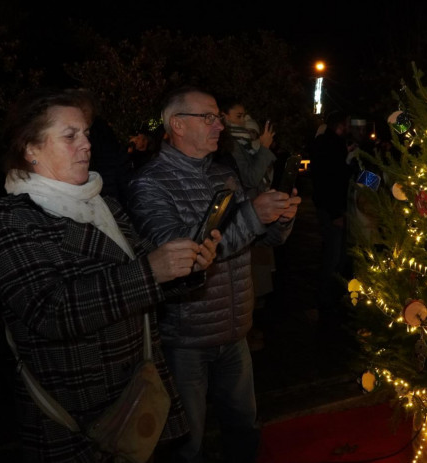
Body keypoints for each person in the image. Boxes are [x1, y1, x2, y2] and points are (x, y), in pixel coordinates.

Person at [0, 88, 220, 462]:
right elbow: (50, 311)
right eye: (70, 135)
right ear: (30, 149)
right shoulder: (11, 220)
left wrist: (187, 267)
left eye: (87, 133)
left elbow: (149, 274)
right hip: (74, 411)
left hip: (135, 389)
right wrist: (150, 271)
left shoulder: (103, 203)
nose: (86, 145)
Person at [127, 85, 300, 463]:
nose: (218, 124)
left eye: (219, 117)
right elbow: (186, 259)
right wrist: (254, 215)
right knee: (188, 443)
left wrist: (280, 217)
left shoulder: (224, 173)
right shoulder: (150, 184)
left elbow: (259, 237)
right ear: (177, 125)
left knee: (244, 429)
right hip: (186, 340)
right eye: (208, 117)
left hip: (235, 331)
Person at [218, 99, 279, 350]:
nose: (243, 121)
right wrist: (263, 148)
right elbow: (251, 177)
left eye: (245, 117)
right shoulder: (231, 145)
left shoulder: (241, 142)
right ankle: (244, 334)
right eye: (239, 116)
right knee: (247, 278)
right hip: (245, 215)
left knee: (253, 277)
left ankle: (247, 331)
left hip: (253, 213)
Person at [309, 110, 354, 315]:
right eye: (347, 124)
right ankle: (326, 298)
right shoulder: (332, 145)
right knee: (333, 255)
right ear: (340, 125)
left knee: (334, 253)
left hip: (326, 207)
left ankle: (329, 295)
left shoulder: (325, 143)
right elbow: (332, 182)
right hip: (331, 209)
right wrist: (337, 213)